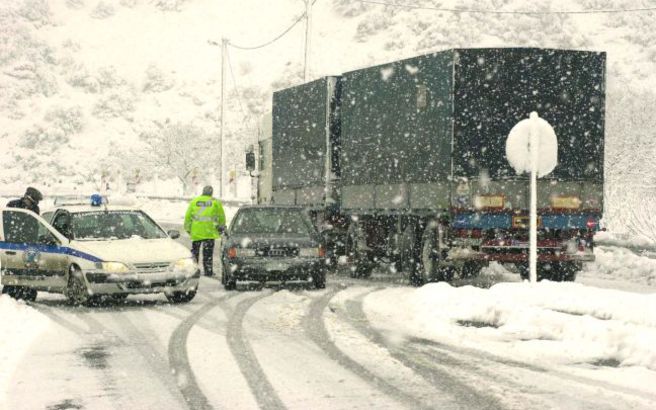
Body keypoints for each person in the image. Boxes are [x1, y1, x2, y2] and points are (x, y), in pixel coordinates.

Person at [184, 185, 226, 277]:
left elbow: (188, 217)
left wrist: (187, 228)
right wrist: (221, 227)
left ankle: (193, 270)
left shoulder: (194, 201)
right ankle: (208, 271)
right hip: (209, 232)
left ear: (202, 192)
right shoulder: (215, 202)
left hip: (196, 232)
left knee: (195, 253)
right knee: (208, 254)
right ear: (211, 193)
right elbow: (221, 216)